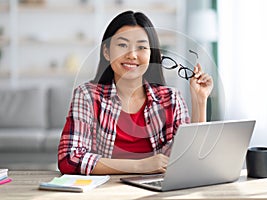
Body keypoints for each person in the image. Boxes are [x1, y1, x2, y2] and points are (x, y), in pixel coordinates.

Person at [58, 10, 213, 175]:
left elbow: (189, 159)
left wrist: (200, 101)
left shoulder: (171, 98)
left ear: (151, 55)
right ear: (107, 52)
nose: (132, 55)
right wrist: (140, 166)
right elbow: (69, 159)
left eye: (141, 47)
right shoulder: (87, 96)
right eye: (122, 45)